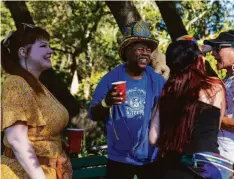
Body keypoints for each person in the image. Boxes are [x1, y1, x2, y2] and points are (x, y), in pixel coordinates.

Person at [149, 37, 234, 179]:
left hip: (169, 169)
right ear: (197, 61)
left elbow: (153, 138)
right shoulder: (214, 87)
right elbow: (216, 126)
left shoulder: (167, 92)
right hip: (206, 170)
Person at [89, 20, 165, 179]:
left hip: (151, 158)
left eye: (149, 49)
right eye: (141, 48)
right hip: (119, 159)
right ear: (128, 51)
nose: (146, 53)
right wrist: (106, 102)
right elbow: (93, 114)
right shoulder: (110, 79)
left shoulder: (157, 81)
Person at [1, 23, 72, 179]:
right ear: (23, 52)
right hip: (22, 174)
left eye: (49, 46)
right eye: (43, 46)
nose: (50, 51)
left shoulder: (37, 86)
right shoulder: (16, 83)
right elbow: (16, 139)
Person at [204, 29, 234, 179]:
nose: (213, 54)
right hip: (223, 161)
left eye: (218, 48)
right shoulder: (230, 80)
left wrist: (215, 118)